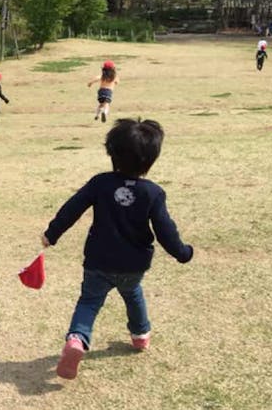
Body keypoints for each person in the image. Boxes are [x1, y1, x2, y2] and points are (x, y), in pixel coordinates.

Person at [40, 118, 194, 380]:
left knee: (89, 301)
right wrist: (183, 252)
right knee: (133, 294)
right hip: (133, 263)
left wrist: (51, 234)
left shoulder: (100, 183)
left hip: (98, 260)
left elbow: (72, 208)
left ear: (112, 153)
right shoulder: (152, 193)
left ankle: (77, 339)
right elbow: (165, 229)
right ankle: (140, 335)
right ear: (150, 160)